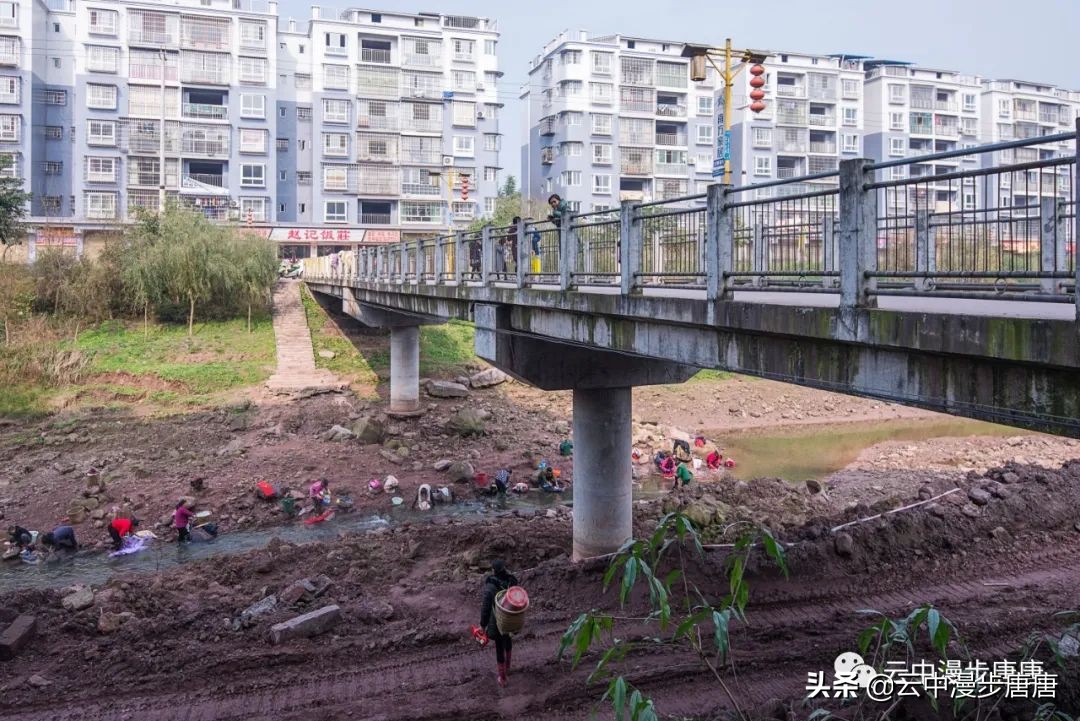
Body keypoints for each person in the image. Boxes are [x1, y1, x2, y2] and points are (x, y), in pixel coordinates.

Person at [479, 559, 520, 688]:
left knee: (499, 646)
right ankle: (508, 667)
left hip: (497, 619)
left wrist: (482, 624)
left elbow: (486, 607)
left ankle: (502, 678)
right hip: (510, 616)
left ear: (493, 570)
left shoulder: (490, 585)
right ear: (504, 568)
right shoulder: (512, 581)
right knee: (507, 639)